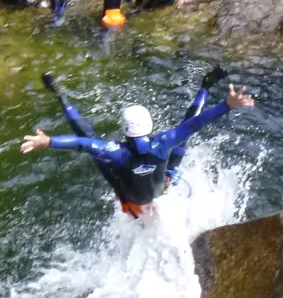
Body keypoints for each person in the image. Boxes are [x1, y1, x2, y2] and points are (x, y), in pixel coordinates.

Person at [23, 73, 255, 218]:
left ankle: (61, 95)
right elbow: (195, 124)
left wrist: (48, 141)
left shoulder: (116, 152)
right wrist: (226, 105)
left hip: (130, 197)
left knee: (89, 140)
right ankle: (205, 86)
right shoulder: (163, 143)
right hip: (162, 183)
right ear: (150, 125)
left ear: (123, 129)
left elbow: (82, 143)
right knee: (185, 134)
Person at [165, 65, 228, 188]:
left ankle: (206, 87)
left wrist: (227, 105)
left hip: (165, 165)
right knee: (187, 129)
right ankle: (206, 87)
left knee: (188, 126)